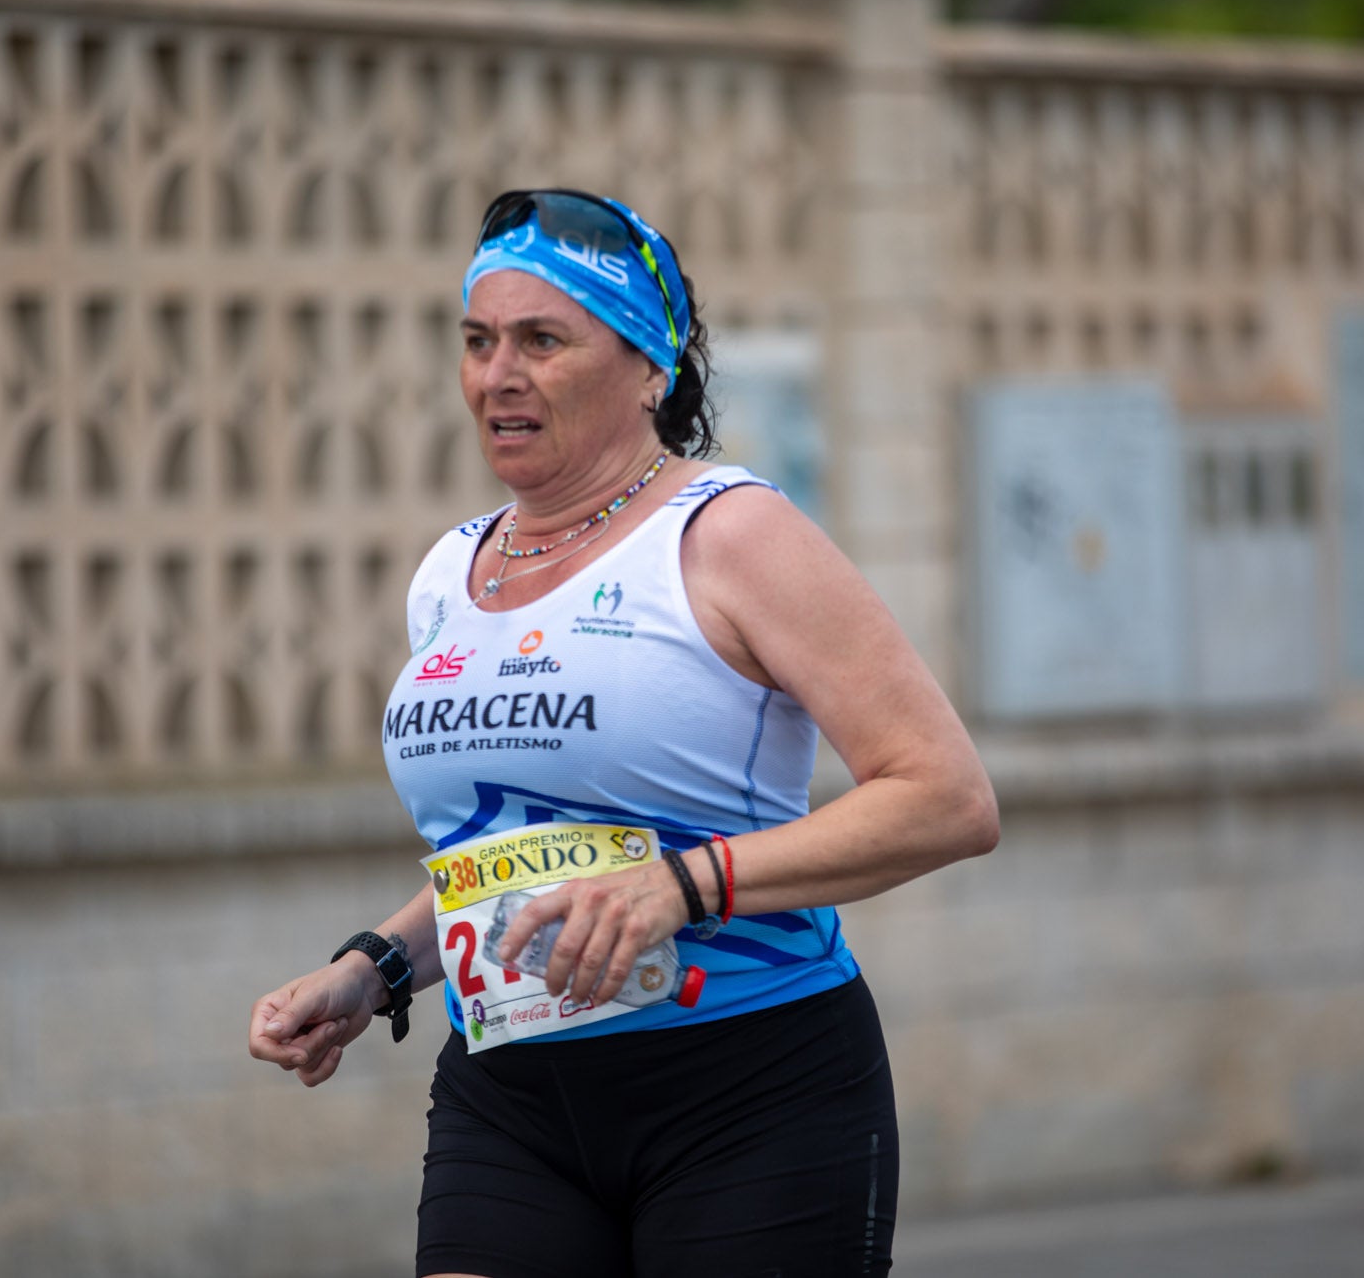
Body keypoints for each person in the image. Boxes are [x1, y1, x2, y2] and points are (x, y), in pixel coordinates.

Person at [248, 188, 998, 1277]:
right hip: (510, 1097)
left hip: (748, 1085)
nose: (498, 374)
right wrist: (376, 967)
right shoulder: (450, 572)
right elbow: (507, 847)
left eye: (542, 341)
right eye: (478, 341)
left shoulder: (731, 535)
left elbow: (946, 797)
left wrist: (681, 886)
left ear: (650, 367)